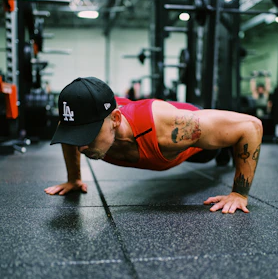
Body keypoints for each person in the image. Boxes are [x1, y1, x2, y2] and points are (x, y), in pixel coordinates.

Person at [45, 77, 263, 214]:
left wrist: (239, 195)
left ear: (116, 120)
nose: (81, 146)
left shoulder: (168, 129)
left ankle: (225, 150)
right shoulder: (85, 124)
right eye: (76, 135)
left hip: (192, 138)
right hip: (162, 143)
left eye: (88, 135)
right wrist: (74, 178)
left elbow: (251, 126)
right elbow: (69, 135)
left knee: (213, 150)